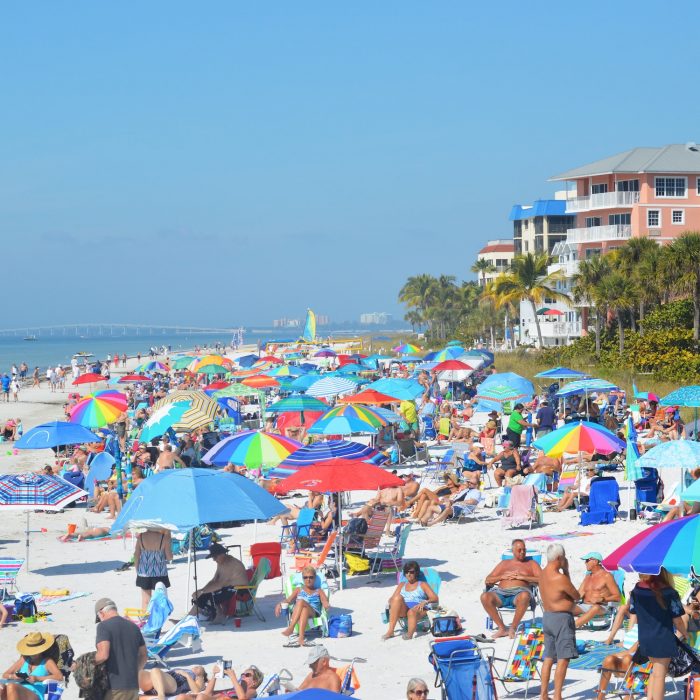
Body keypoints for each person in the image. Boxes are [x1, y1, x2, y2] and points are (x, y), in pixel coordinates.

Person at [629, 568, 687, 700]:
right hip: (662, 637)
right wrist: (685, 633)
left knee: (655, 671)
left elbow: (633, 611)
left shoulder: (637, 589)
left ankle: (650, 698)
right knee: (660, 674)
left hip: (644, 637)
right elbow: (678, 620)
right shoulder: (669, 592)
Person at [538, 544, 579, 700]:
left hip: (547, 617)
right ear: (559, 558)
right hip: (561, 618)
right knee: (563, 658)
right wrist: (567, 571)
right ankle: (557, 695)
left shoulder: (541, 574)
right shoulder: (560, 577)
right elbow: (575, 595)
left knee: (548, 657)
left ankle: (543, 694)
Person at [481, 539, 541, 639]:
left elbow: (543, 579)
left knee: (525, 596)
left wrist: (523, 577)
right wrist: (501, 577)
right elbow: (488, 580)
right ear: (513, 551)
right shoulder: (504, 563)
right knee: (484, 597)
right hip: (500, 593)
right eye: (519, 550)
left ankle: (513, 628)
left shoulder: (531, 563)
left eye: (524, 549)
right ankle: (502, 628)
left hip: (519, 594)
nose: (522, 552)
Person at [94, 597, 147, 700]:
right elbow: (144, 655)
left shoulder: (103, 626)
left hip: (114, 687)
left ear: (101, 613)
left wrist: (84, 663)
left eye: (99, 618)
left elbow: (103, 655)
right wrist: (133, 671)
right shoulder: (134, 627)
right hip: (133, 686)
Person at [189, 544, 249, 623]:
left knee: (208, 594)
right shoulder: (222, 562)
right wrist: (202, 590)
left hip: (240, 590)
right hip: (229, 587)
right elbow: (214, 580)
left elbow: (220, 584)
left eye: (215, 557)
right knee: (203, 595)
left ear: (222, 554)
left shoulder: (231, 563)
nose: (214, 559)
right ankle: (188, 619)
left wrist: (202, 592)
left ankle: (219, 614)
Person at [275, 564, 330, 647]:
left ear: (315, 578)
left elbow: (324, 601)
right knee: (304, 609)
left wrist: (326, 605)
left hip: (313, 613)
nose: (308, 579)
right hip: (299, 612)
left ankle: (291, 627)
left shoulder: (319, 591)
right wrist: (279, 604)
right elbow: (288, 600)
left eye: (311, 577)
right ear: (302, 579)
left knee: (300, 601)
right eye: (305, 577)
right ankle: (301, 638)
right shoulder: (298, 589)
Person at [383, 560, 439, 640]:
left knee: (411, 611)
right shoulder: (402, 584)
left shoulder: (423, 584)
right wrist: (395, 602)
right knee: (397, 598)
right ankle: (391, 631)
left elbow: (435, 598)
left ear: (416, 572)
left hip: (419, 609)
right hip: (404, 609)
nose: (408, 574)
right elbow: (391, 599)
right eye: (406, 572)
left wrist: (425, 602)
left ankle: (409, 634)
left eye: (411, 572)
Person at [0, 632, 63, 700]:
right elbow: (5, 675)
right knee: (1, 688)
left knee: (11, 686)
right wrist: (14, 676)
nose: (32, 654)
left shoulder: (47, 662)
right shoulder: (24, 659)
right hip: (19, 689)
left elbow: (59, 677)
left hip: (35, 692)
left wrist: (37, 678)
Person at [573, 552, 621, 628]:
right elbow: (579, 595)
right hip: (584, 606)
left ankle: (570, 627)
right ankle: (555, 627)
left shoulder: (607, 576)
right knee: (565, 607)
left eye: (587, 560)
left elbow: (618, 597)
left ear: (595, 561)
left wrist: (603, 599)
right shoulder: (587, 577)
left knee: (595, 608)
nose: (585, 563)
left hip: (601, 607)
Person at [134, 529, 173, 610]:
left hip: (144, 572)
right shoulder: (164, 538)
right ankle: (157, 621)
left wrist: (137, 569)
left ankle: (145, 620)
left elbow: (136, 555)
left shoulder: (141, 537)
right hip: (160, 572)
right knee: (160, 600)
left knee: (145, 601)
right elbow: (169, 557)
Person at [138, 666, 207, 700]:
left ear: (203, 674)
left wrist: (187, 675)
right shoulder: (189, 671)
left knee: (154, 670)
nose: (196, 667)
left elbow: (196, 691)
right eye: (196, 666)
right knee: (138, 672)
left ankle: (161, 696)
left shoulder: (199, 678)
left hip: (175, 684)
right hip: (157, 681)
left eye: (200, 668)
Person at [196, 664, 262, 699]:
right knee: (186, 697)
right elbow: (207, 694)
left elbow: (242, 698)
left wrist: (233, 677)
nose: (243, 676)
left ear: (254, 682)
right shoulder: (234, 689)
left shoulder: (252, 691)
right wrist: (215, 675)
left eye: (247, 675)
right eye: (242, 674)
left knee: (201, 697)